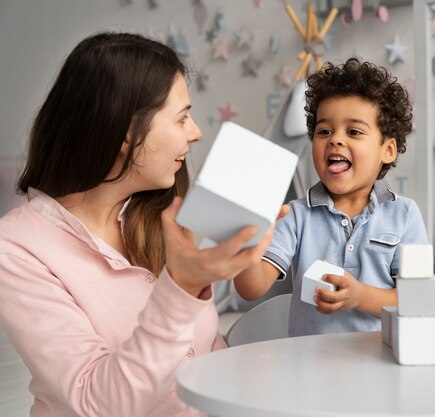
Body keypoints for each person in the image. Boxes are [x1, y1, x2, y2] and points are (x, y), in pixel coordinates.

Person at [0, 32, 278, 417]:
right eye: (181, 118)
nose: (195, 132)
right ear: (125, 133)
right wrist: (181, 287)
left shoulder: (156, 215)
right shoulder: (16, 249)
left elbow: (202, 348)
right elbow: (99, 404)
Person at [234, 58, 428, 336]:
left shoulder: (404, 215)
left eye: (354, 131)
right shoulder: (295, 215)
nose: (335, 139)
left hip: (379, 365)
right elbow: (250, 288)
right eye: (324, 131)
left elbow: (416, 300)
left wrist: (359, 296)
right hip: (308, 368)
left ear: (388, 150)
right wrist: (246, 248)